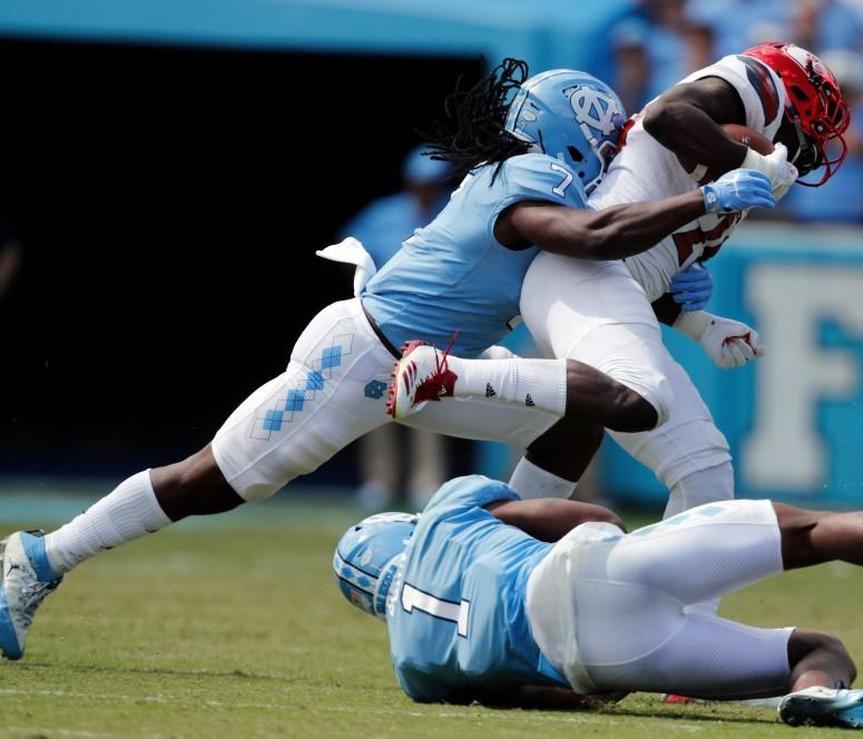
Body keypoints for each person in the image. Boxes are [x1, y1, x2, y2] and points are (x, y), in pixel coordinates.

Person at [0, 60, 781, 661]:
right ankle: (39, 556)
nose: (613, 156)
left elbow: (622, 264)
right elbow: (594, 239)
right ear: (569, 132)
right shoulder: (523, 176)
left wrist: (696, 314)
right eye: (606, 140)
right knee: (211, 480)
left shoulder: (532, 175)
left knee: (581, 408)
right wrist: (712, 197)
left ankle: (499, 575)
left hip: (429, 365)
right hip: (363, 354)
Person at [391, 42, 846, 523]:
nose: (817, 148)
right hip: (583, 267)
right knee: (643, 395)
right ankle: (449, 373)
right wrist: (744, 160)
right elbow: (667, 115)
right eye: (818, 127)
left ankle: (491, 544)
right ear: (795, 99)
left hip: (605, 281)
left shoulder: (742, 156)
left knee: (704, 470)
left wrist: (698, 323)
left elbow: (643, 269)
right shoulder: (754, 88)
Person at [332, 474, 863, 730]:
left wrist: (594, 688)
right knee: (810, 530)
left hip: (598, 662)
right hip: (587, 571)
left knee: (820, 652)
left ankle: (812, 697)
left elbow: (515, 696)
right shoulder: (445, 511)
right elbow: (585, 518)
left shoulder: (411, 668)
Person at [340, 145, 457, 509]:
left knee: (428, 402)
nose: (426, 190)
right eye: (420, 183)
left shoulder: (453, 214)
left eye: (433, 183)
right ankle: (380, 480)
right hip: (381, 323)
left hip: (432, 325)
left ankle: (427, 481)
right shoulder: (383, 214)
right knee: (376, 398)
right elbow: (351, 252)